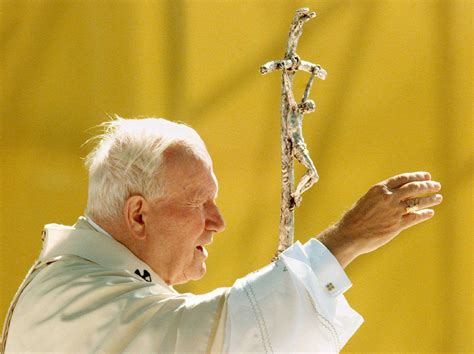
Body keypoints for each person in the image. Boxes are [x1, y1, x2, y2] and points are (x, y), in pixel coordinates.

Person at [1, 117, 443, 353]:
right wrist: (345, 239)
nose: (218, 222)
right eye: (199, 202)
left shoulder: (100, 279)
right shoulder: (74, 296)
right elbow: (220, 340)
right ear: (139, 215)